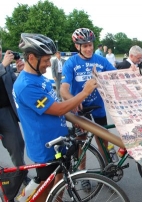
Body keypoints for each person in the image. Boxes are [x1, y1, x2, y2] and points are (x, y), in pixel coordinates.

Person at [13, 33, 97, 202]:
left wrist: (72, 104)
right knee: (44, 194)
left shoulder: (38, 78)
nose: (48, 64)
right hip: (45, 147)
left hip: (57, 142)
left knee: (58, 185)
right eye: (45, 60)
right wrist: (84, 92)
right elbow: (57, 109)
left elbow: (54, 103)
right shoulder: (26, 85)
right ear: (31, 57)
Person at [60, 28, 117, 190]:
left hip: (98, 108)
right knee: (81, 144)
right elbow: (63, 90)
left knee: (103, 140)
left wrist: (131, 73)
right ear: (77, 46)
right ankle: (82, 174)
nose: (88, 48)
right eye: (84, 46)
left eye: (90, 44)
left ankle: (107, 170)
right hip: (79, 111)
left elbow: (116, 76)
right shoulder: (71, 63)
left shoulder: (101, 60)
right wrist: (72, 100)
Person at [0, 45, 30, 185]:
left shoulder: (5, 66)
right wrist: (2, 66)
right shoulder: (3, 65)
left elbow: (14, 84)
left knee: (17, 144)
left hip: (6, 112)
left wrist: (21, 72)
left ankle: (22, 175)